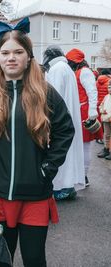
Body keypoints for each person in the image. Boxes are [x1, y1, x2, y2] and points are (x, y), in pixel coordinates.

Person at [0, 17, 75, 267]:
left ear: (29, 57)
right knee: (2, 260)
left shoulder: (45, 92)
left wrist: (48, 168)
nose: (11, 58)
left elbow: (65, 130)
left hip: (34, 194)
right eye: (5, 52)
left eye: (18, 52)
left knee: (35, 259)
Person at [42, 45, 85, 200]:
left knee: (60, 152)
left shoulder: (56, 69)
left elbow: (54, 96)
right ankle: (68, 185)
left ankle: (61, 187)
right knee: (70, 152)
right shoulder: (65, 68)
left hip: (59, 119)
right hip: (68, 116)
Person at [66, 48, 100, 187]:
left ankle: (84, 175)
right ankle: (81, 174)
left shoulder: (84, 72)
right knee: (81, 145)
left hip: (85, 112)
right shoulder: (79, 72)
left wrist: (92, 112)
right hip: (81, 110)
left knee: (85, 146)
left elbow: (92, 92)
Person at [96, 69, 111, 157]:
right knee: (106, 134)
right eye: (109, 87)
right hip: (106, 118)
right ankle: (106, 149)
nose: (109, 89)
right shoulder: (106, 97)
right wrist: (102, 111)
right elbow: (101, 106)